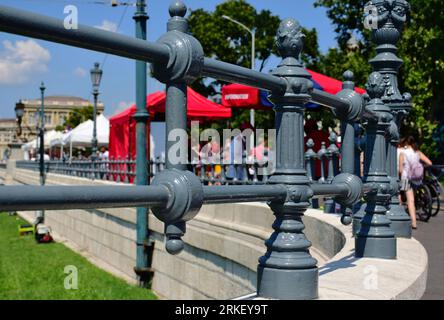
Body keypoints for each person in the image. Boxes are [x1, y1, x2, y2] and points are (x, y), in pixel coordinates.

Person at [398, 136, 433, 230]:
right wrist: (421, 166)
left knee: (407, 199)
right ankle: (414, 222)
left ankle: (401, 218)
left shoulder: (403, 153)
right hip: (417, 179)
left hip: (406, 178)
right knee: (412, 199)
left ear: (405, 143)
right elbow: (429, 163)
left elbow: (401, 169)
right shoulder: (418, 153)